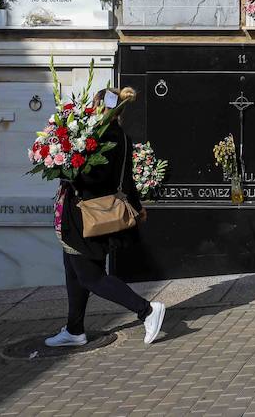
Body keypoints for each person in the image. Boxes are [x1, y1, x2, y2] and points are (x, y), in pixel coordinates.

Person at [45, 90, 167, 348]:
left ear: (103, 106)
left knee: (91, 277)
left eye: (96, 104)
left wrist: (68, 171)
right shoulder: (120, 136)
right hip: (91, 217)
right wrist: (137, 206)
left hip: (87, 217)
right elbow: (126, 181)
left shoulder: (100, 138)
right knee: (73, 270)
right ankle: (74, 329)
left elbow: (96, 180)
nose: (93, 108)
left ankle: (147, 310)